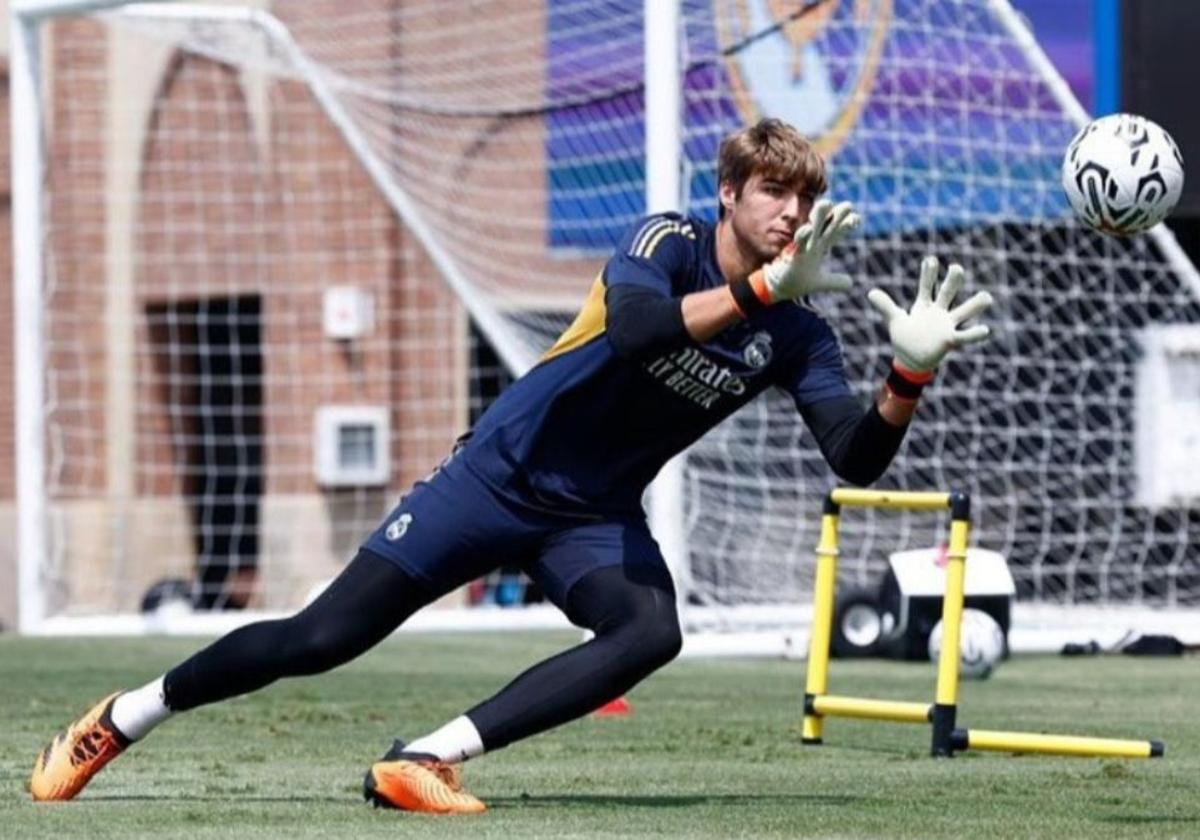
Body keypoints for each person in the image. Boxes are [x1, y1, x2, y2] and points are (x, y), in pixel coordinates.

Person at [29, 118, 993, 814]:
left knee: (651, 631)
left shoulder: (799, 330)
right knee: (320, 639)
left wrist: (907, 370)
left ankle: (426, 760)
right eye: (774, 193)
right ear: (730, 195)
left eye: (805, 199)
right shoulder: (666, 242)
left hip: (593, 515)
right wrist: (760, 287)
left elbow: (854, 456)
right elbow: (637, 332)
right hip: (491, 479)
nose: (792, 213)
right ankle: (125, 714)